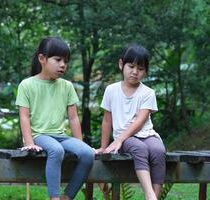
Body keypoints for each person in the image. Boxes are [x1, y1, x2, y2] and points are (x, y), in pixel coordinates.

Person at [15, 37, 94, 200]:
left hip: (60, 136)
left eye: (66, 61)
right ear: (42, 59)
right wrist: (29, 143)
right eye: (58, 60)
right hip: (39, 136)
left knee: (87, 153)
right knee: (57, 150)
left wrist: (79, 143)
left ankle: (67, 196)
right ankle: (55, 197)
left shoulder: (67, 86)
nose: (63, 64)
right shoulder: (27, 85)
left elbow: (73, 118)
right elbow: (24, 117)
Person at [96, 44, 166, 200]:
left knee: (159, 151)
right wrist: (104, 146)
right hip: (126, 138)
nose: (135, 72)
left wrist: (119, 140)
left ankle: (155, 196)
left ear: (145, 72)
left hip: (146, 133)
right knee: (139, 148)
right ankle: (149, 194)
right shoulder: (111, 90)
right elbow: (107, 120)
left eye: (140, 68)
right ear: (121, 64)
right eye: (131, 66)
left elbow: (140, 121)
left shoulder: (148, 93)